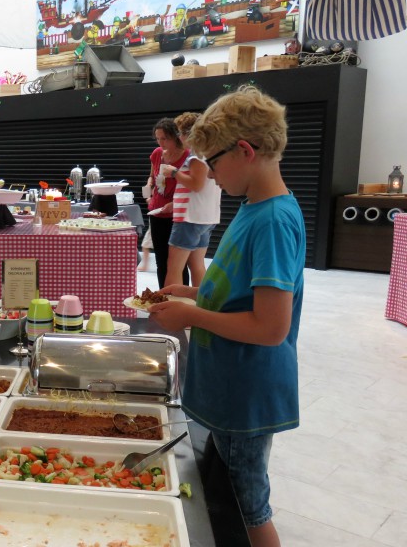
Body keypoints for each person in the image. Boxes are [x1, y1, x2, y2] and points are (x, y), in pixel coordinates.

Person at [149, 85, 305, 547]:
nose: (211, 176)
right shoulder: (252, 207)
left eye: (213, 163)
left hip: (247, 390)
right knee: (221, 491)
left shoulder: (273, 220)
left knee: (246, 504)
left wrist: (191, 318)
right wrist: (192, 292)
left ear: (245, 150)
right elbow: (242, 294)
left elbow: (270, 327)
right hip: (228, 384)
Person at [160, 112, 222, 287]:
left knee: (173, 268)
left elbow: (196, 184)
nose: (179, 137)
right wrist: (175, 203)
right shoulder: (210, 153)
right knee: (196, 265)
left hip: (190, 219)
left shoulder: (197, 155)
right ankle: (199, 305)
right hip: (205, 217)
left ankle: (174, 310)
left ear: (190, 134)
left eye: (180, 133)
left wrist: (173, 172)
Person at [146, 118, 189, 288]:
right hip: (157, 211)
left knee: (178, 262)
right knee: (161, 259)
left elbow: (193, 185)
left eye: (164, 138)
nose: (161, 142)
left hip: (176, 213)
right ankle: (162, 295)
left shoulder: (187, 155)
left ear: (175, 136)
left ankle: (181, 297)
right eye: (158, 138)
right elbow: (152, 175)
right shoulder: (157, 153)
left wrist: (175, 203)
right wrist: (149, 187)